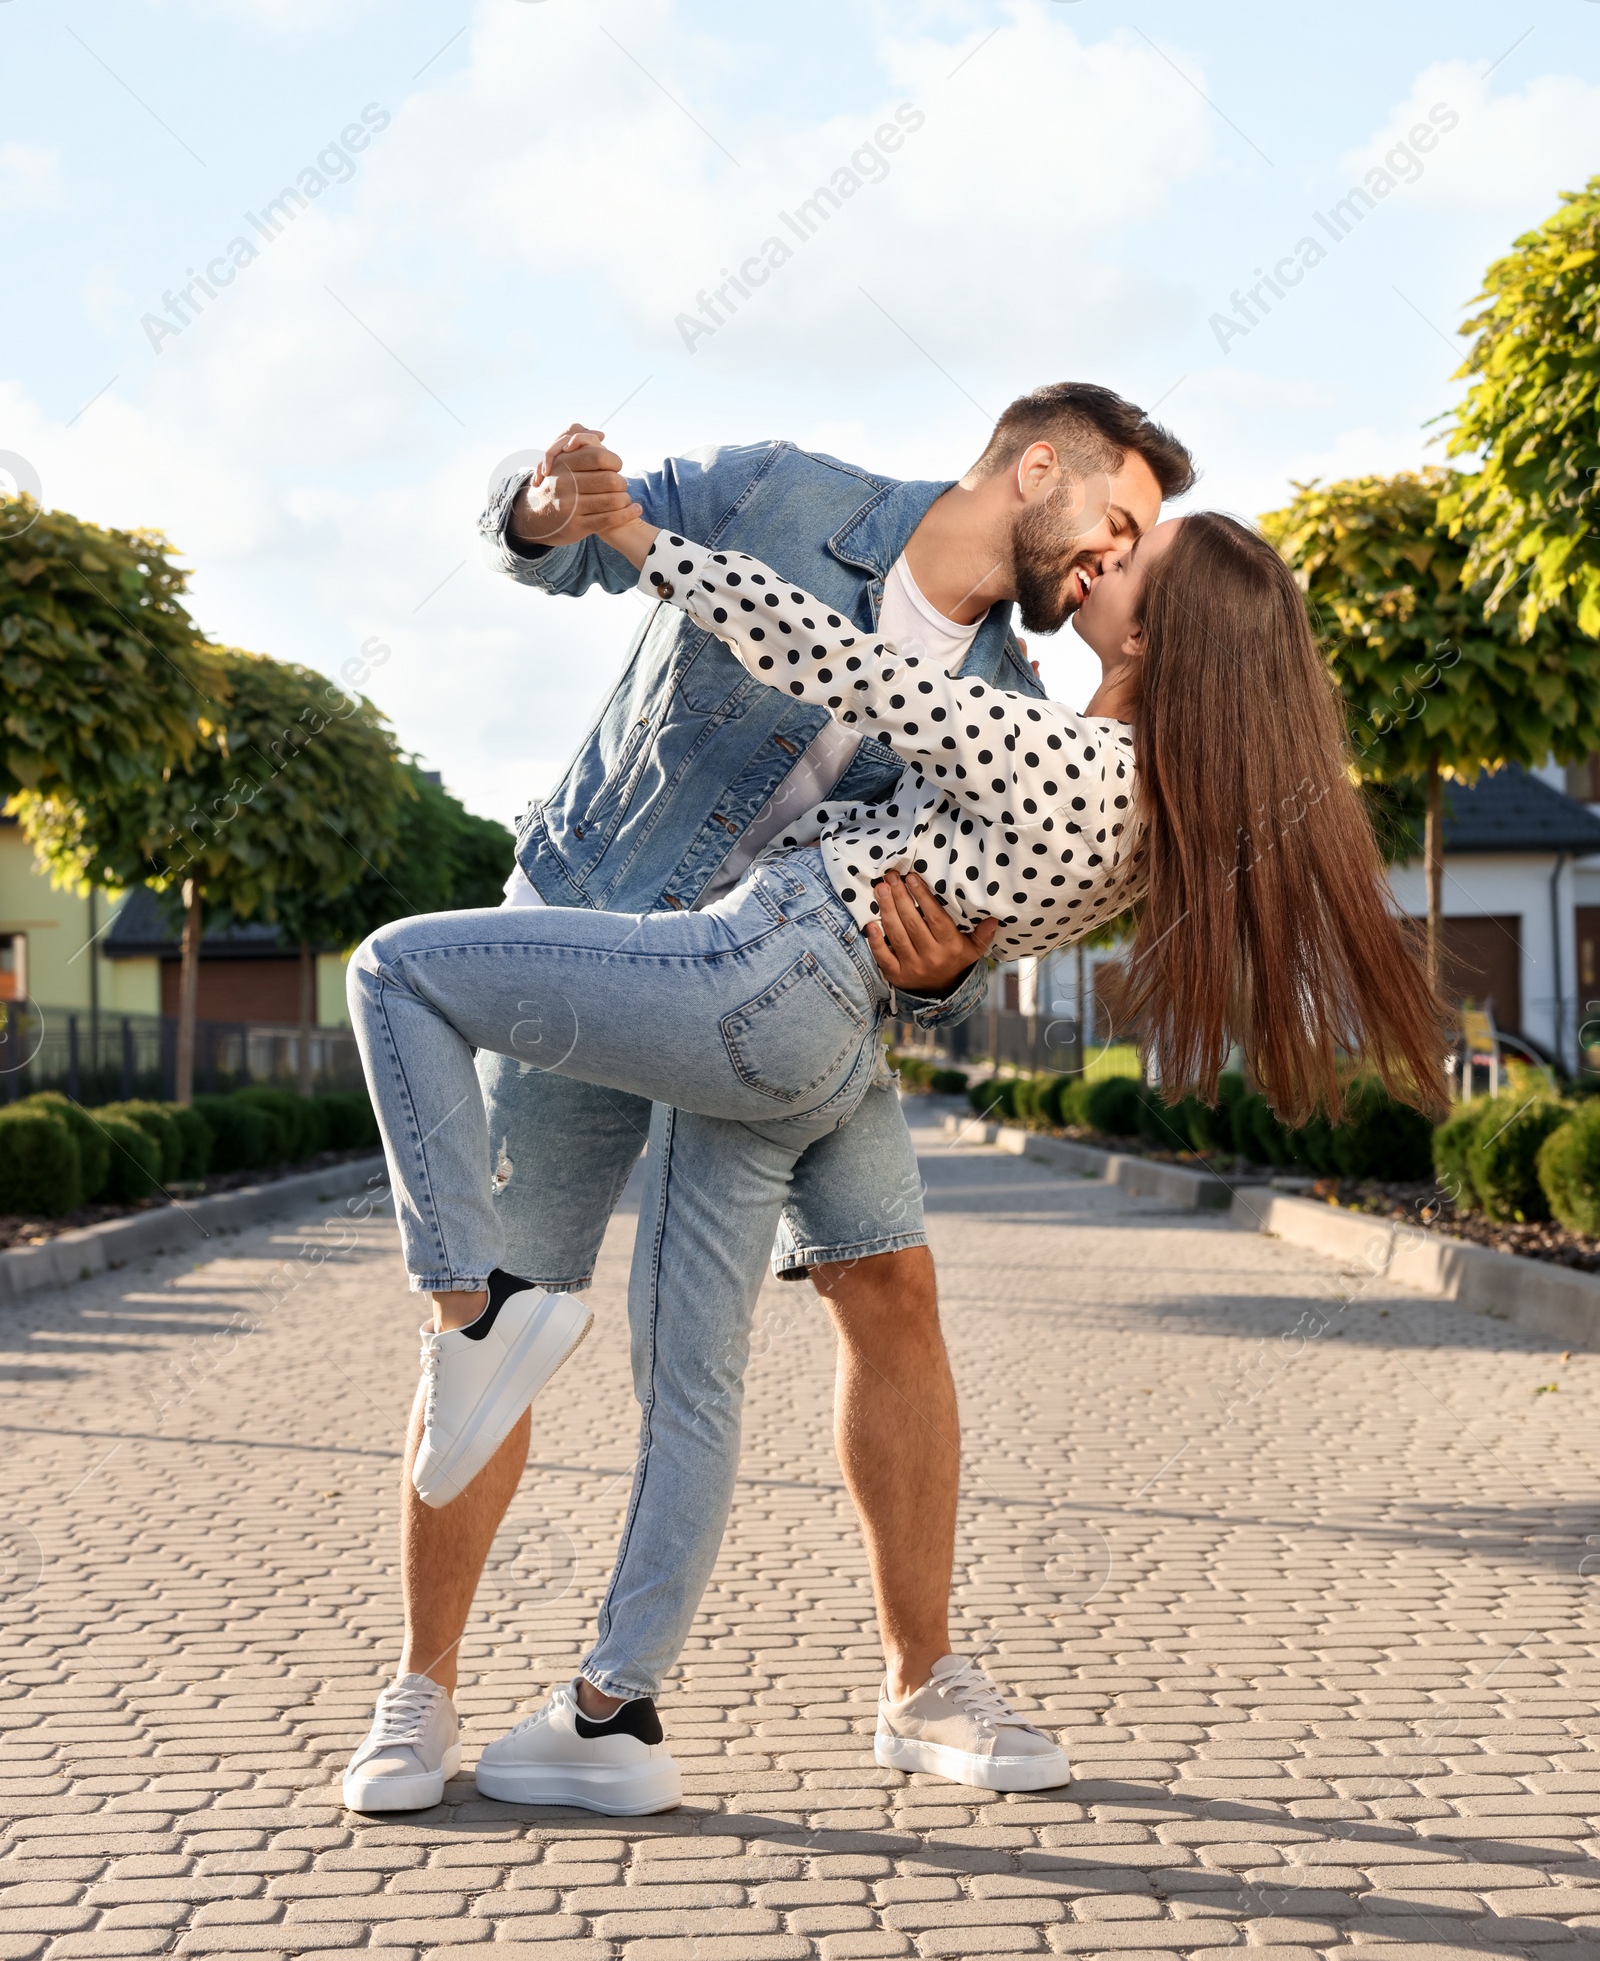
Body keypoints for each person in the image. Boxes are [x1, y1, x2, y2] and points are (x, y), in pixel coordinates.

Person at [344, 493, 1449, 1813]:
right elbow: (920, 864)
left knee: (393, 970)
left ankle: (468, 1308)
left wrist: (650, 548)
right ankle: (609, 1719)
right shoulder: (1141, 796)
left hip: (759, 982)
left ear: (1159, 629)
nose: (1105, 551)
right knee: (695, 1380)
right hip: (817, 1032)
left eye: (1133, 548)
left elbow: (829, 658)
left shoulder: (1065, 755)